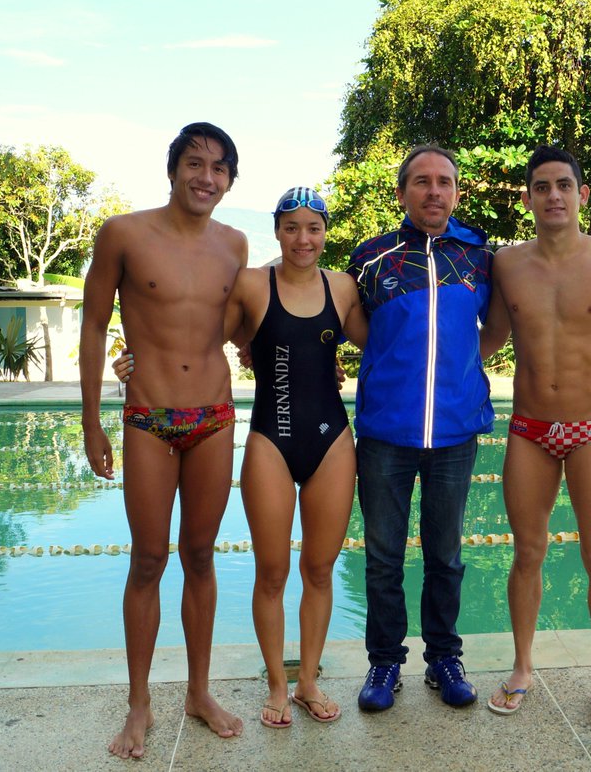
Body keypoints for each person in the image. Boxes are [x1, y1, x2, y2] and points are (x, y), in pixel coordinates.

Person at [113, 187, 368, 729]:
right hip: (270, 440)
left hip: (332, 439)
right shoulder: (253, 283)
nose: (304, 238)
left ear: (326, 232)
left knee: (319, 568)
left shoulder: (343, 287)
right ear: (276, 231)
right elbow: (198, 337)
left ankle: (308, 682)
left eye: (314, 228)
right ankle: (278, 685)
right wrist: (133, 358)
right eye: (292, 227)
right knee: (271, 572)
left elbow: (380, 344)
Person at [80, 122, 248, 759]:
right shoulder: (124, 233)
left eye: (220, 168)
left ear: (230, 181)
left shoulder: (235, 243)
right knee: (149, 559)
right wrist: (92, 419)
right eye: (195, 163)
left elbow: (246, 328)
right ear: (172, 168)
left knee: (201, 557)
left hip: (213, 417)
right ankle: (140, 702)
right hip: (148, 418)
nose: (206, 177)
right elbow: (96, 325)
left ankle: (200, 693)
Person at [479, 145, 591, 729]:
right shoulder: (507, 264)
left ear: (583, 194)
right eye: (541, 186)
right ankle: (522, 666)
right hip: (529, 428)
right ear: (528, 197)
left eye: (564, 185)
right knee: (527, 552)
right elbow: (489, 338)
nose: (553, 195)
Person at [347, 145, 495, 711]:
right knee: (383, 556)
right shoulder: (371, 258)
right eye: (422, 182)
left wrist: (459, 368)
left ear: (456, 191)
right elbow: (354, 326)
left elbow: (495, 330)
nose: (435, 191)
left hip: (455, 432)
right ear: (403, 191)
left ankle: (443, 659)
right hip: (387, 431)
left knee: (446, 554)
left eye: (445, 182)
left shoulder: (478, 255)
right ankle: (384, 663)